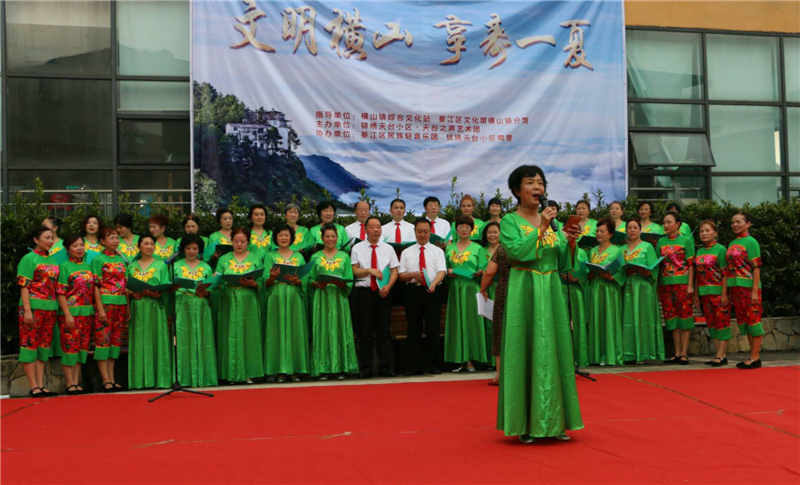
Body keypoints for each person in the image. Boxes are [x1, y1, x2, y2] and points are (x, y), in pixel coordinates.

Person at [497, 165, 583, 443]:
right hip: (525, 289)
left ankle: (557, 422)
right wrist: (542, 227)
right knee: (526, 351)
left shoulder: (553, 223)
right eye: (530, 182)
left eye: (541, 183)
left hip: (552, 289)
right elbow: (517, 253)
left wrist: (570, 242)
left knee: (554, 351)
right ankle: (526, 423)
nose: (537, 188)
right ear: (516, 190)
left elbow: (564, 263)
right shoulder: (510, 221)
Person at [308, 224, 359, 380]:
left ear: (337, 238)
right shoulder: (315, 257)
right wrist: (317, 284)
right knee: (322, 330)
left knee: (340, 330)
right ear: (322, 238)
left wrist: (343, 284)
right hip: (321, 298)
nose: (331, 239)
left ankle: (342, 367)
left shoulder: (344, 256)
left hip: (339, 298)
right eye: (327, 236)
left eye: (333, 236)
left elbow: (349, 278)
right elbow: (309, 278)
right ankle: (323, 368)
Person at [351, 216, 399, 378]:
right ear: (365, 230)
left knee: (384, 332)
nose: (376, 230)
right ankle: (366, 369)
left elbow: (394, 270)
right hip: (364, 294)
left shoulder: (388, 248)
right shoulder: (357, 248)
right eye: (372, 227)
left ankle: (385, 367)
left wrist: (389, 287)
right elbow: (354, 270)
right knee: (365, 332)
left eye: (378, 227)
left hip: (383, 293)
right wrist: (370, 271)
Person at [215, 227, 265, 383]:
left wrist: (253, 283)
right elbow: (217, 278)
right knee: (230, 335)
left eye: (242, 241)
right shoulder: (224, 259)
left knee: (249, 335)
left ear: (248, 242)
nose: (239, 244)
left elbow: (262, 281)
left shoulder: (255, 258)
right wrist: (215, 281)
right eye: (236, 241)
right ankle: (230, 373)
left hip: (248, 301)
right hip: (229, 300)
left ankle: (250, 372)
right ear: (231, 242)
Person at [398, 219, 447, 375]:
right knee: (414, 328)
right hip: (413, 291)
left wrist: (433, 283)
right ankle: (414, 366)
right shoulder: (407, 252)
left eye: (426, 231)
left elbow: (442, 271)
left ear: (430, 232)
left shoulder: (437, 251)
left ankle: (434, 365)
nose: (422, 234)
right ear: (415, 232)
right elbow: (401, 275)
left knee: (433, 328)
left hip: (433, 291)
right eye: (419, 231)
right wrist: (412, 275)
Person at [263, 225, 310, 382]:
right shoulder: (270, 256)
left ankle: (294, 369)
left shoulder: (299, 257)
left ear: (292, 238)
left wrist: (298, 280)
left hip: (293, 297)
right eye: (280, 235)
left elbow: (306, 279)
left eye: (287, 235)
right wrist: (271, 277)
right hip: (276, 296)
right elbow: (265, 281)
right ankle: (279, 370)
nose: (284, 238)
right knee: (276, 332)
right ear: (276, 238)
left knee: (294, 331)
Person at [17, 226, 60, 397]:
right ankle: (33, 385)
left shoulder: (54, 261)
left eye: (52, 238)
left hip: (50, 308)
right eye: (47, 238)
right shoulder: (29, 259)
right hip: (33, 307)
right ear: (36, 240)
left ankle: (41, 385)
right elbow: (24, 286)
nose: (50, 241)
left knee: (44, 346)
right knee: (29, 344)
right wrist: (27, 310)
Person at [126, 234, 172, 389]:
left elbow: (166, 286)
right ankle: (139, 381)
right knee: (139, 343)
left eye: (152, 244)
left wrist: (158, 293)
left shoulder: (161, 265)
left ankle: (160, 380)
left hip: (155, 308)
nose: (149, 246)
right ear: (139, 246)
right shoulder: (132, 266)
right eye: (146, 243)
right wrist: (132, 294)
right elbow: (126, 287)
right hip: (138, 307)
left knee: (156, 340)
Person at [444, 216, 489, 372]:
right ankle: (458, 358)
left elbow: (484, 270)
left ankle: (471, 359)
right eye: (460, 226)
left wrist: (480, 274)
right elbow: (445, 269)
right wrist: (449, 272)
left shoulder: (478, 249)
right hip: (455, 289)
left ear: (472, 230)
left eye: (467, 227)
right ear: (456, 229)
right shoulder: (449, 248)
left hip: (472, 289)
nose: (463, 229)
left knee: (471, 323)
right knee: (457, 322)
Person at [174, 234, 218, 387]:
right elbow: (170, 287)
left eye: (195, 248)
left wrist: (206, 292)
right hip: (182, 305)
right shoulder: (176, 266)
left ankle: (203, 377)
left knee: (202, 338)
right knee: (183, 340)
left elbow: (212, 288)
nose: (191, 251)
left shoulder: (206, 266)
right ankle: (183, 378)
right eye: (188, 248)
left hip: (201, 305)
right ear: (182, 249)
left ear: (199, 250)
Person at [56, 234, 95, 395]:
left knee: (81, 348)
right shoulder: (64, 266)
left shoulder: (87, 266)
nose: (79, 248)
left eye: (81, 245)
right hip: (71, 313)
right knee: (69, 347)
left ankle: (77, 382)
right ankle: (69, 382)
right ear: (67, 249)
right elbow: (61, 292)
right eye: (75, 246)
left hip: (87, 312)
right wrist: (67, 314)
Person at [621, 217, 664, 364]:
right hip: (627, 287)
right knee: (627, 319)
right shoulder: (622, 249)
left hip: (644, 288)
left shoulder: (647, 247)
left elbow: (654, 268)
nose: (632, 230)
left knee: (644, 319)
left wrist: (648, 273)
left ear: (640, 230)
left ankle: (645, 352)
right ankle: (628, 353)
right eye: (629, 228)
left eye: (635, 228)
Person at [91, 227, 129, 392]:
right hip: (105, 303)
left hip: (120, 304)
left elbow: (125, 286)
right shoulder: (98, 260)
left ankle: (112, 378)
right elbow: (96, 286)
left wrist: (127, 307)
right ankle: (105, 380)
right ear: (102, 241)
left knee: (115, 342)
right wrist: (100, 308)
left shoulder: (121, 260)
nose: (115, 240)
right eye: (110, 238)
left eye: (116, 237)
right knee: (103, 340)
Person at [726, 212, 764, 369]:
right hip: (736, 288)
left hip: (749, 287)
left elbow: (756, 268)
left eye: (739, 221)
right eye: (733, 222)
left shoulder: (751, 242)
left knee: (754, 320)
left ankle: (755, 357)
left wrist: (755, 290)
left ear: (748, 223)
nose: (735, 224)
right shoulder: (732, 243)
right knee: (746, 322)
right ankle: (752, 355)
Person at [658, 211, 695, 365]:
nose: (666, 225)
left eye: (669, 222)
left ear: (678, 224)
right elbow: (659, 266)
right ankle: (677, 352)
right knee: (671, 317)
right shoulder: (661, 242)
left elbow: (691, 264)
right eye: (664, 223)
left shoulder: (686, 240)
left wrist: (690, 284)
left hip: (683, 283)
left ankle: (684, 353)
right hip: (666, 284)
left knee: (684, 317)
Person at [587, 219, 626, 366]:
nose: (598, 233)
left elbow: (622, 270)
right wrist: (590, 274)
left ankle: (611, 355)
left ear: (610, 234)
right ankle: (597, 355)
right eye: (597, 231)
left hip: (610, 290)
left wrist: (612, 277)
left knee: (610, 320)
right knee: (597, 320)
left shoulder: (617, 250)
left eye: (602, 231)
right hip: (596, 288)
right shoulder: (592, 251)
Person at [693, 220, 731, 367]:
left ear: (715, 233)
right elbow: (697, 274)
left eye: (707, 230)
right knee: (712, 324)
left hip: (718, 292)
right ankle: (719, 354)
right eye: (702, 231)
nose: (704, 233)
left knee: (722, 322)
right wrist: (696, 294)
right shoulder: (700, 251)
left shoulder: (721, 250)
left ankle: (721, 355)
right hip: (704, 293)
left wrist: (724, 294)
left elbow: (725, 273)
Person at [480, 229, 511, 386]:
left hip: (505, 291)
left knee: (500, 331)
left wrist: (483, 289)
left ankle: (500, 375)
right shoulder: (527, 246)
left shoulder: (501, 249)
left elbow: (490, 272)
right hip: (527, 291)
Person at [559, 241, 589, 368]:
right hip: (559, 289)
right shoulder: (557, 249)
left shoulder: (582, 252)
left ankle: (578, 357)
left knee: (576, 323)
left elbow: (586, 272)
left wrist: (577, 279)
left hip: (575, 290)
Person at [480, 222, 501, 366]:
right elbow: (483, 269)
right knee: (489, 325)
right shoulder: (482, 251)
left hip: (503, 287)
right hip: (488, 289)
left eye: (495, 232)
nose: (492, 235)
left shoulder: (506, 249)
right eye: (489, 232)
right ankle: (489, 361)